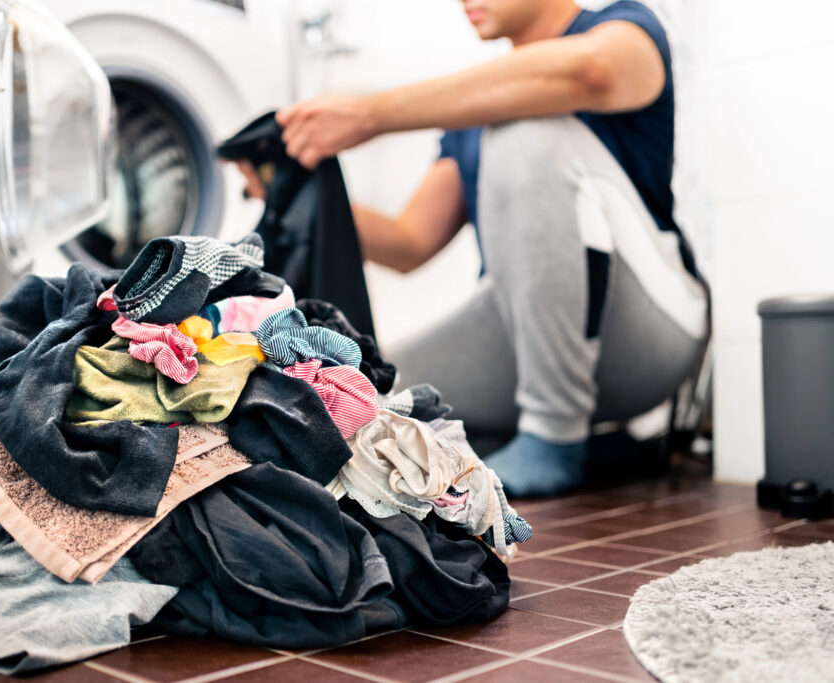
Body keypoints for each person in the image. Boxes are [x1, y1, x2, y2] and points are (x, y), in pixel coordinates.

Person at [238, 0, 708, 497]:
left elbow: (591, 72)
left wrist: (369, 114)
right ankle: (581, 447)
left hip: (652, 331)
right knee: (370, 398)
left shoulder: (623, 28)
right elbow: (410, 242)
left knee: (523, 124)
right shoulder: (471, 117)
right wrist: (284, 191)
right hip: (528, 335)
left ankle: (553, 434)